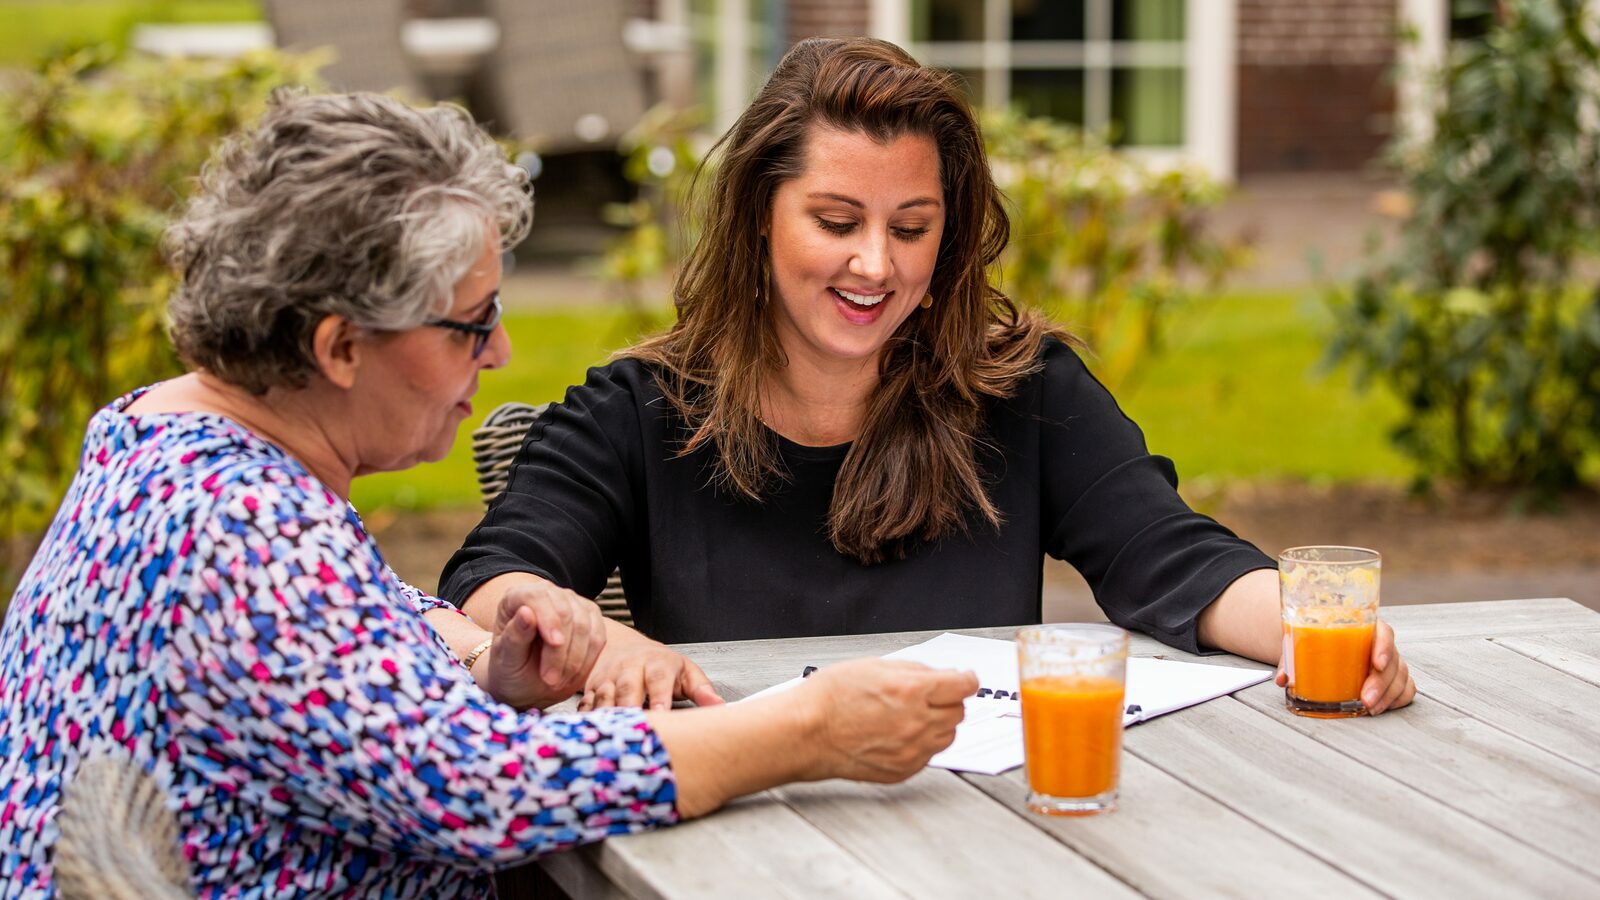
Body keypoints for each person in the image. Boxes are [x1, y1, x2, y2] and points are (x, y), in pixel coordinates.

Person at [0, 90, 977, 899]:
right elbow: (492, 794)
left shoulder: (159, 437)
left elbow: (335, 639)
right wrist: (809, 730)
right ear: (340, 346)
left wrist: (475, 661)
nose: (500, 353)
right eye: (472, 324)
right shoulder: (246, 537)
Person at [439, 38, 1417, 717]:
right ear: (757, 221)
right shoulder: (639, 411)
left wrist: (1310, 629)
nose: (875, 264)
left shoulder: (1021, 390)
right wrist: (594, 640)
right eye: (835, 221)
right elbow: (488, 586)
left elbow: (1172, 559)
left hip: (984, 830)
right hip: (736, 820)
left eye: (910, 228)